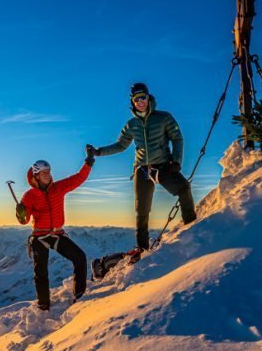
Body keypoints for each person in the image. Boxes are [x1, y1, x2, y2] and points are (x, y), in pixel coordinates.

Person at [87, 82, 196, 251]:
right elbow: (120, 146)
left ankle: (191, 226)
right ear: (132, 101)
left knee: (184, 188)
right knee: (142, 211)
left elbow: (177, 138)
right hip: (142, 169)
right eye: (137, 99)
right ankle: (142, 249)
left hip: (163, 165)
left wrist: (176, 161)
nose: (141, 101)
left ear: (148, 97)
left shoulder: (164, 117)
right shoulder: (131, 125)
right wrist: (98, 152)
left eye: (143, 97)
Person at [15, 151, 94, 310]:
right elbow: (24, 221)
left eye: (49, 171)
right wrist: (20, 212)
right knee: (41, 273)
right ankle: (44, 305)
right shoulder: (29, 195)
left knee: (80, 257)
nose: (47, 175)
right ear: (36, 175)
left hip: (57, 234)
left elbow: (78, 178)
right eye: (44, 172)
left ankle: (79, 296)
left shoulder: (57, 188)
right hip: (40, 236)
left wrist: (88, 163)